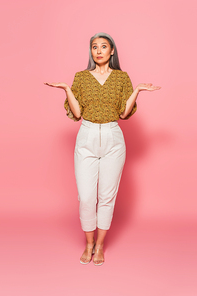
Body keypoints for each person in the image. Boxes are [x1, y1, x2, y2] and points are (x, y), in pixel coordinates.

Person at [44, 32, 161, 266]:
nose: (98, 50)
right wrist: (67, 88)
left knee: (106, 197)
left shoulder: (121, 78)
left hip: (113, 138)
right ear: (91, 51)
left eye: (103, 46)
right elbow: (76, 114)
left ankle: (99, 246)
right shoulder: (81, 77)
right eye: (94, 47)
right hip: (86, 136)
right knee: (87, 197)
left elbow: (124, 113)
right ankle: (88, 244)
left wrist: (136, 90)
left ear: (112, 51)